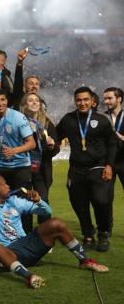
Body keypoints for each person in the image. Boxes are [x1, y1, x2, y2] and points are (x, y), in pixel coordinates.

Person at [0, 173, 108, 289]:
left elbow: (47, 211)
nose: (8, 186)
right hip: (8, 253)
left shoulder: (14, 201)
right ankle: (29, 277)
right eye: (4, 184)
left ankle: (84, 261)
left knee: (57, 223)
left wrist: (38, 201)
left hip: (26, 245)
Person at [56, 86, 117, 252]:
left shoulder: (102, 120)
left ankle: (103, 234)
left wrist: (109, 165)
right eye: (78, 100)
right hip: (76, 169)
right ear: (75, 101)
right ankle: (88, 234)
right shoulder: (68, 119)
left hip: (98, 165)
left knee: (101, 200)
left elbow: (112, 144)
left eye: (85, 100)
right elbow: (55, 136)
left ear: (92, 101)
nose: (82, 103)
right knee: (79, 203)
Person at [0, 88, 36, 233]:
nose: (0, 103)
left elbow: (32, 143)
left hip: (20, 166)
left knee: (22, 202)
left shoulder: (18, 117)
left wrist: (14, 150)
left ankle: (26, 234)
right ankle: (1, 234)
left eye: (3, 99)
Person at [19, 92, 59, 226]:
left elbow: (55, 149)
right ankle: (26, 234)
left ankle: (45, 235)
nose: (35, 102)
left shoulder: (47, 124)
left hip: (41, 170)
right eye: (30, 100)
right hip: (23, 168)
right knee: (24, 202)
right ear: (24, 105)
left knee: (43, 200)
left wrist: (51, 147)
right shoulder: (18, 122)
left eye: (37, 100)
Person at [103, 87, 124, 191]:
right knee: (104, 197)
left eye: (110, 98)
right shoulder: (102, 117)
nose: (106, 101)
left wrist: (120, 137)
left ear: (119, 99)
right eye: (105, 99)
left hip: (123, 160)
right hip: (107, 163)